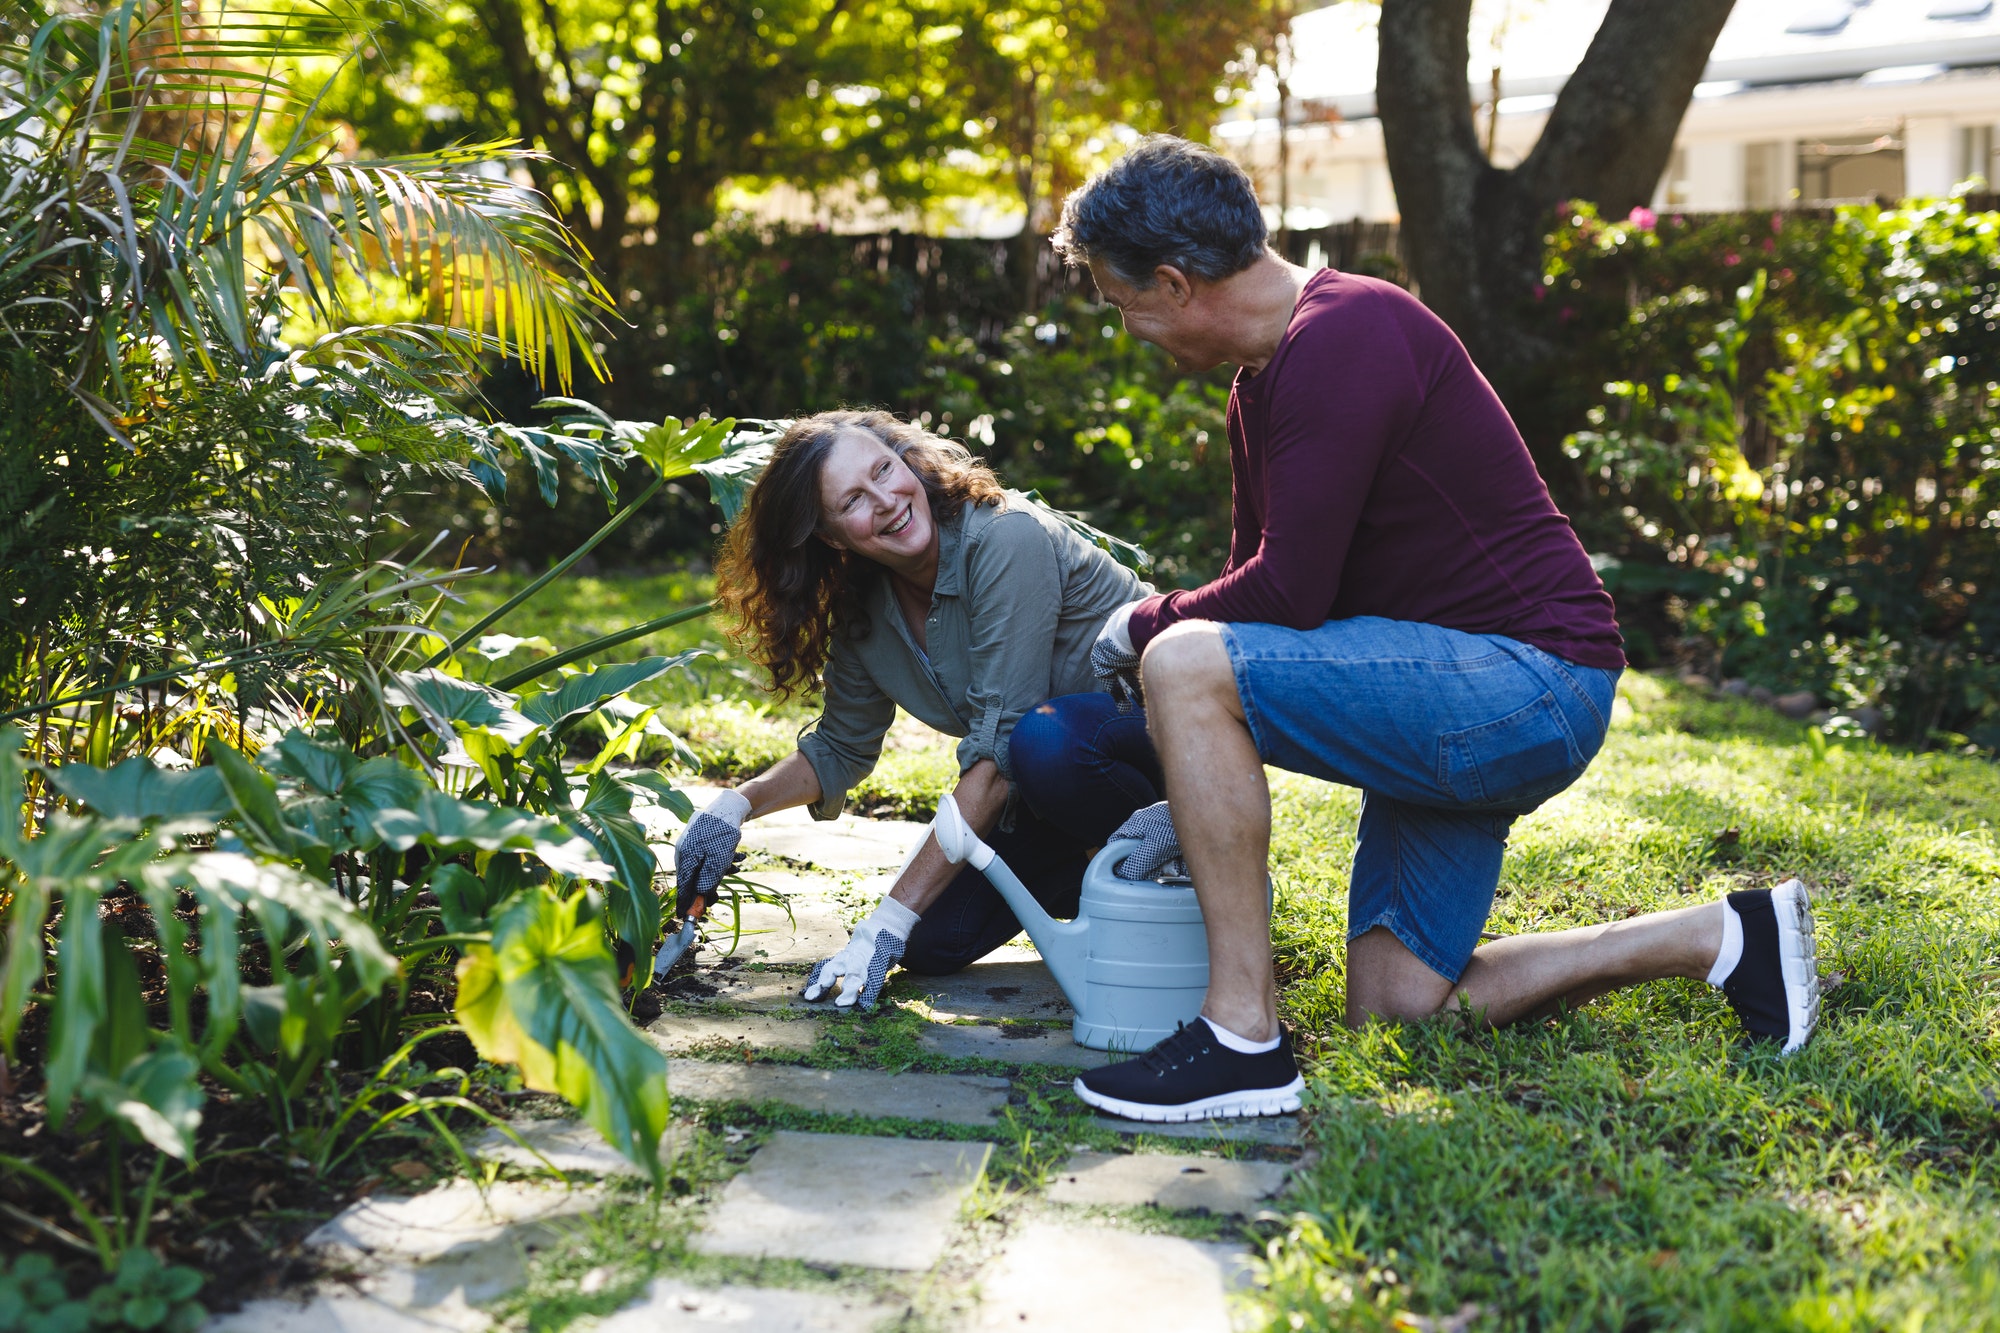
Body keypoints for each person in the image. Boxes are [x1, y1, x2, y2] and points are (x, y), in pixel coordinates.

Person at [1047, 137, 1821, 1123]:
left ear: (1173, 279)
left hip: (1525, 683)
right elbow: (1272, 590)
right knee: (1397, 1013)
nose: (1129, 330)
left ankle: (1240, 1033)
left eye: (1124, 305)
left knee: (1185, 661)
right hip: (1450, 689)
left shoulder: (1349, 331)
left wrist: (1140, 626)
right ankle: (1721, 936)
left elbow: (1278, 601)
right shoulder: (1265, 382)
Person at [671, 409, 1167, 1007]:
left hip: (1151, 748)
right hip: (1047, 781)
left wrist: (885, 920)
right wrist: (735, 805)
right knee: (931, 944)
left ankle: (1176, 856)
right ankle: (1103, 882)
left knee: (1044, 742)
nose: (886, 500)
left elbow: (1005, 742)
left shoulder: (1004, 538)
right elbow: (840, 747)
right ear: (830, 537)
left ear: (908, 462)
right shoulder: (866, 606)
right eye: (854, 499)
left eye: (886, 470)